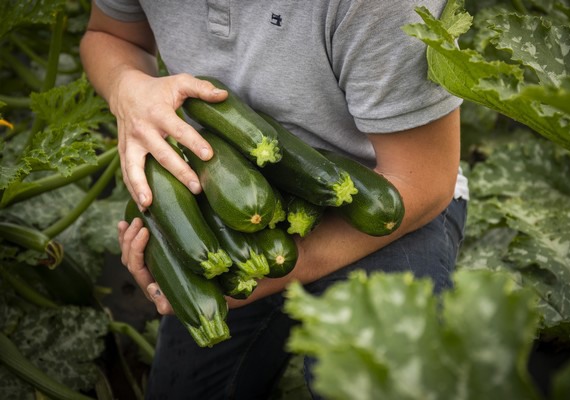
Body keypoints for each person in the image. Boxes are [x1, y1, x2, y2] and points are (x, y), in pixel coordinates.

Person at [80, 0, 469, 398]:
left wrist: (264, 274)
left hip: (381, 199)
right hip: (228, 197)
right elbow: (108, 35)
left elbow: (425, 180)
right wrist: (127, 87)